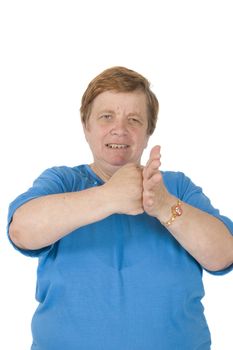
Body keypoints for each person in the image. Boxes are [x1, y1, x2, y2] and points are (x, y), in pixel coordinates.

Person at [8, 66, 233, 350]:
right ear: (86, 126)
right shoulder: (62, 181)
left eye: (134, 119)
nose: (120, 129)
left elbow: (224, 255)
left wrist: (164, 205)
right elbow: (21, 231)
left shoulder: (176, 187)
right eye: (106, 117)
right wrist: (109, 196)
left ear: (148, 131)